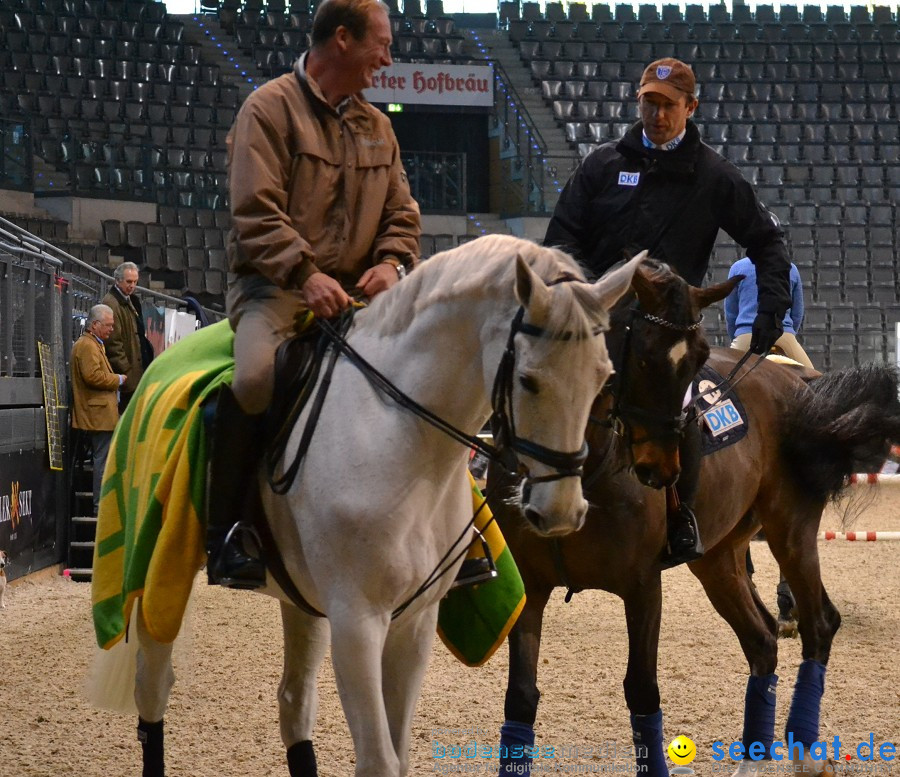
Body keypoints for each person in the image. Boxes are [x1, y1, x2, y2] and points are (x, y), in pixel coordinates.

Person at [544, 57, 792, 568]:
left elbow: (768, 241)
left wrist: (771, 310)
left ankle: (681, 518)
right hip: (600, 321)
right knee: (537, 390)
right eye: (648, 103)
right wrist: (583, 291)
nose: (656, 114)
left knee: (681, 415)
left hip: (665, 335)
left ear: (690, 107)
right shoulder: (601, 165)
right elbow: (561, 237)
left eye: (667, 105)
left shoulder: (715, 176)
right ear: (638, 102)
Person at [210, 0, 422, 588]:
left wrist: (391, 262)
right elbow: (254, 213)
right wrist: (304, 274)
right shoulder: (268, 109)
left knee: (431, 370)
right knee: (254, 378)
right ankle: (229, 531)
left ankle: (459, 537)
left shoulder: (379, 125)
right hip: (276, 289)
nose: (388, 56)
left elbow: (403, 213)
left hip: (360, 293)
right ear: (342, 40)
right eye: (381, 43)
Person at [70, 305, 126, 515]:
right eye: (108, 325)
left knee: (105, 459)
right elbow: (92, 376)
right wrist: (118, 379)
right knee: (102, 461)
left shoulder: (93, 344)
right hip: (97, 415)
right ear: (95, 325)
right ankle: (100, 508)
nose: (112, 329)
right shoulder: (87, 346)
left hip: (102, 414)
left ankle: (104, 505)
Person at [726, 257, 814, 368]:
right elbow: (797, 313)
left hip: (747, 334)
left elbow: (731, 313)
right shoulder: (791, 268)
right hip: (782, 333)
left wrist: (737, 336)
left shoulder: (737, 267)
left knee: (725, 379)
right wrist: (789, 332)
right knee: (815, 380)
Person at [102, 262, 154, 413]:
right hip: (127, 376)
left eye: (135, 282)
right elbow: (113, 344)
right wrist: (128, 372)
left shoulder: (130, 300)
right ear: (117, 280)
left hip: (135, 372)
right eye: (129, 282)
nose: (132, 286)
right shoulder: (112, 303)